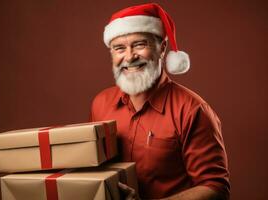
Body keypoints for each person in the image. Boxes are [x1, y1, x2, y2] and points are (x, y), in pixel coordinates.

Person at [90, 3, 230, 200]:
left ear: (162, 48)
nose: (129, 57)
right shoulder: (100, 103)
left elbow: (216, 188)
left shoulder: (192, 110)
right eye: (119, 48)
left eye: (140, 44)